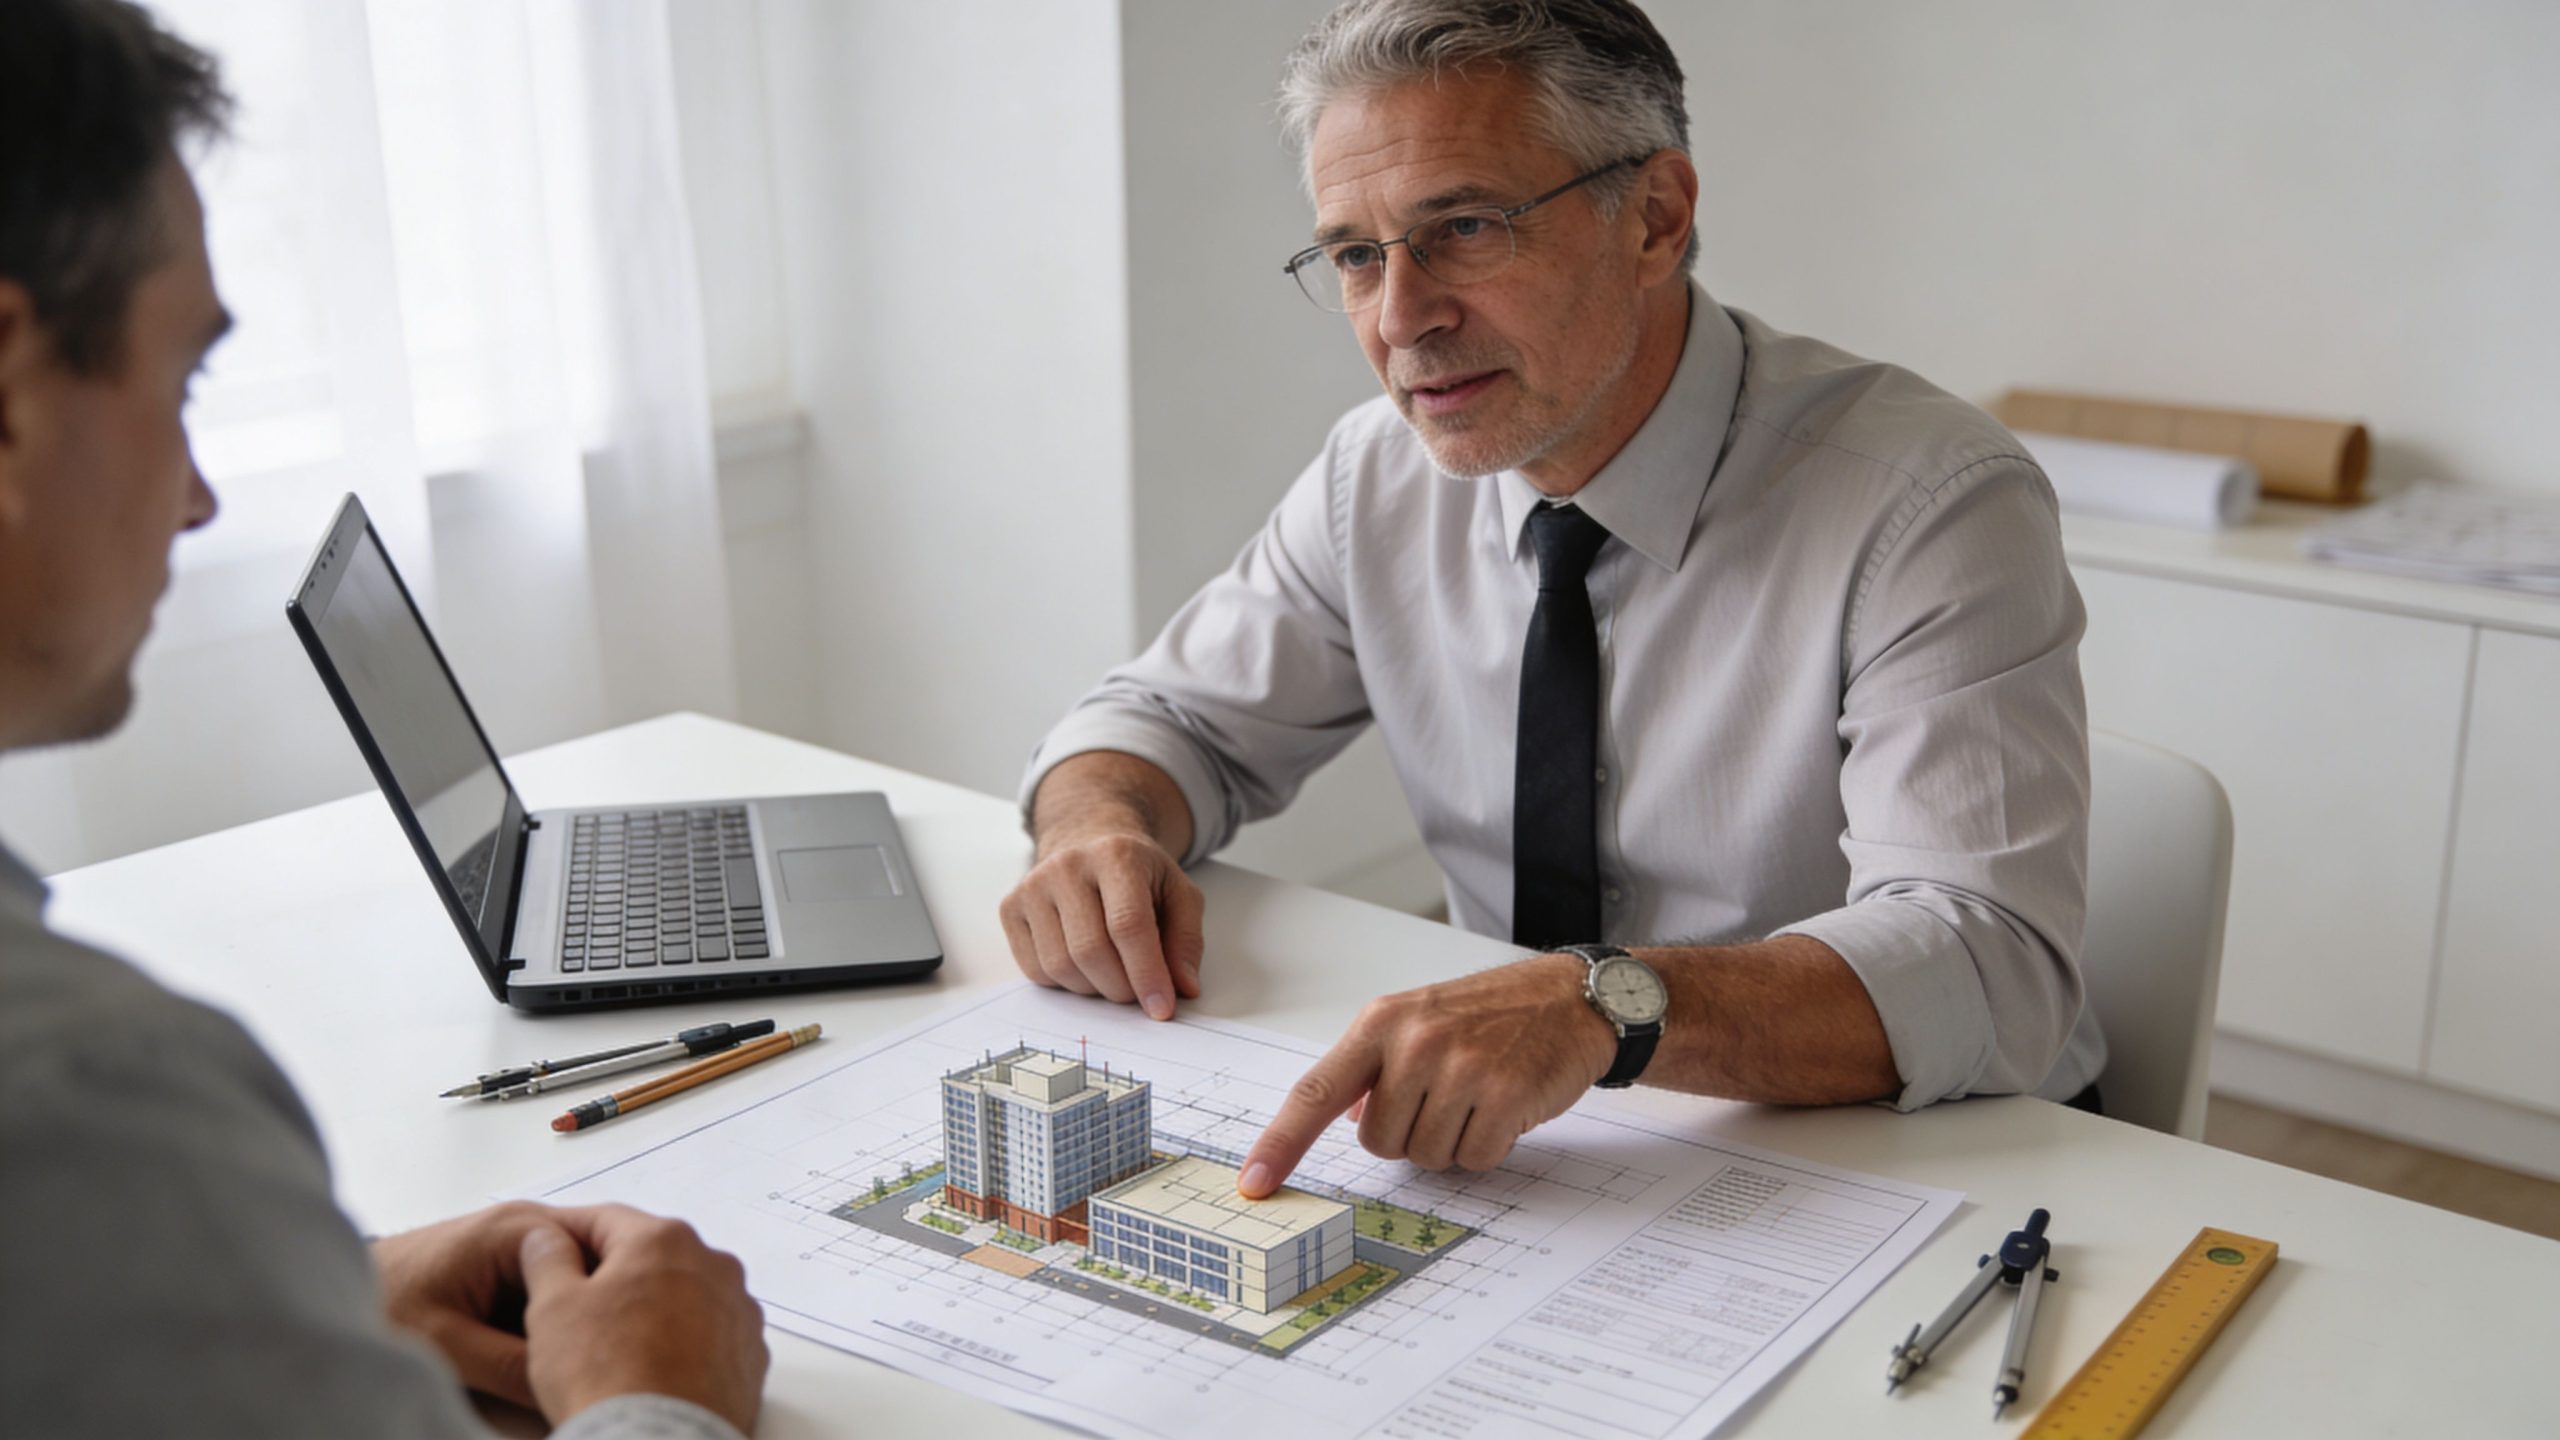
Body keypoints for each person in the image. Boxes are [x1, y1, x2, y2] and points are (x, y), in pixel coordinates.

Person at [1000, 0, 2103, 1199]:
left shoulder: (1926, 501)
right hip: (1550, 1155)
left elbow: (1988, 970)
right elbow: (1165, 724)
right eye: (1356, 256)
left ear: (1656, 217)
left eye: (1464, 228)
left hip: (1918, 1164)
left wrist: (1597, 1006)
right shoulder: (1372, 474)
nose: (1399, 318)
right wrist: (1095, 833)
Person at [0, 4, 767, 1435]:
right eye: (185, 379)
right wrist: (659, 1399)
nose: (198, 494)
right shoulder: (84, 1101)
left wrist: (308, 1285)